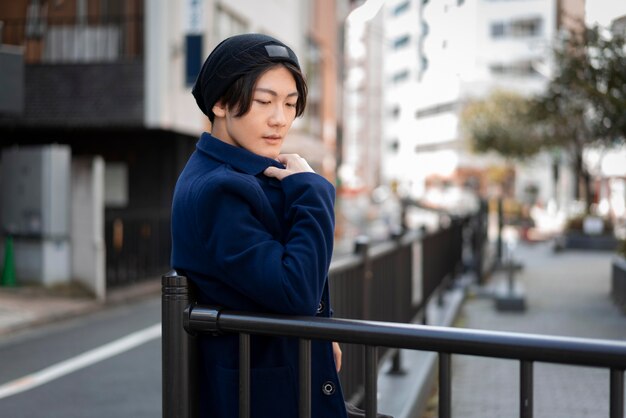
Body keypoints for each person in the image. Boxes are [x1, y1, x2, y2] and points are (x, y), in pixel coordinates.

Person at [170, 33, 347, 418]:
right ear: (219, 102)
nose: (279, 119)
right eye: (264, 101)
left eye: (290, 104)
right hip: (262, 397)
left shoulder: (236, 171)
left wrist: (323, 331)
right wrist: (314, 190)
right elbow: (294, 289)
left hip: (270, 382)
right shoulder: (220, 188)